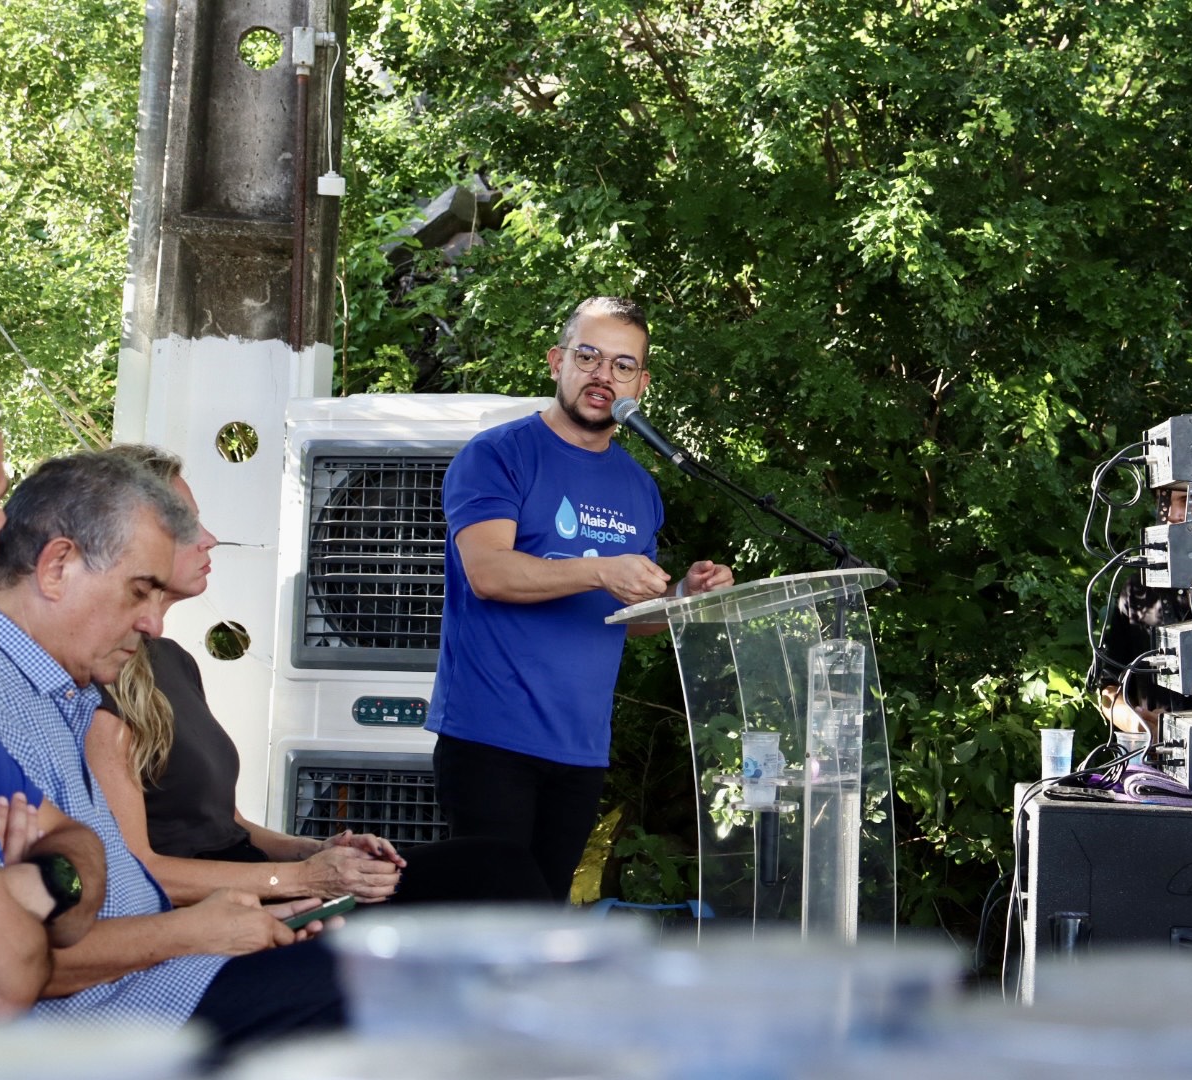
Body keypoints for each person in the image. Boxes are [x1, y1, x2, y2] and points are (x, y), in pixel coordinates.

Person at [0, 451, 344, 1046]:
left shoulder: (49, 688)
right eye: (139, 591)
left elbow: (77, 852)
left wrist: (228, 923)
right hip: (105, 1022)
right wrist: (195, 932)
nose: (154, 624)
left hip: (156, 977)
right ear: (57, 567)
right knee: (399, 987)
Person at [87, 444, 547, 905]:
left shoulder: (172, 660)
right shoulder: (101, 688)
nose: (208, 538)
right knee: (494, 883)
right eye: (186, 525)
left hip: (268, 880)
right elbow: (136, 872)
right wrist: (305, 880)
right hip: (230, 909)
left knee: (500, 861)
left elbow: (232, 826)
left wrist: (319, 852)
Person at [429, 296, 734, 901]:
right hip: (490, 737)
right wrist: (600, 571)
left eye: (623, 365)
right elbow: (489, 573)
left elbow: (626, 617)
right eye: (588, 356)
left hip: (581, 748)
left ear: (641, 385)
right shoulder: (497, 455)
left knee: (543, 924)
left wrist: (682, 594)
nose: (603, 375)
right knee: (495, 924)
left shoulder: (639, 487)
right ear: (556, 361)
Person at [0, 364, 106, 1015]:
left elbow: (80, 843)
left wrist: (31, 887)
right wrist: (37, 899)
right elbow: (0, 980)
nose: (3, 521)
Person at [1097, 488, 1192, 738]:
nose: (1172, 514)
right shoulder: (1138, 589)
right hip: (1156, 756)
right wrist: (1135, 722)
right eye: (1163, 502)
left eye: (1188, 500)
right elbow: (1109, 686)